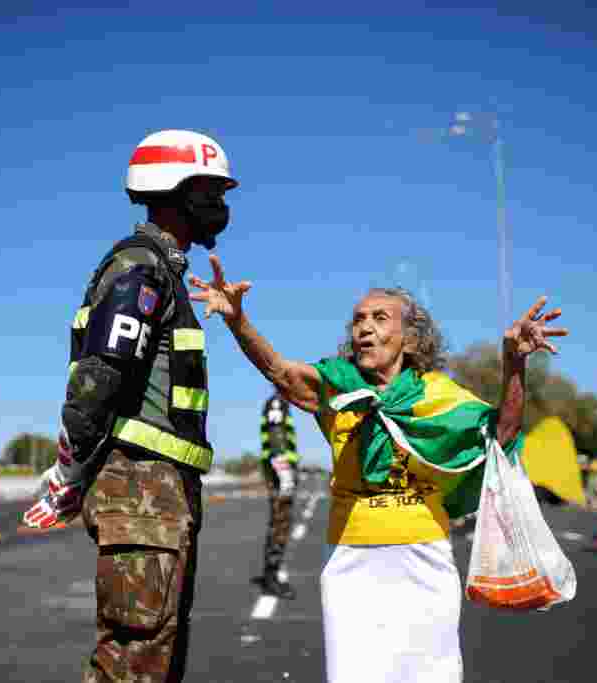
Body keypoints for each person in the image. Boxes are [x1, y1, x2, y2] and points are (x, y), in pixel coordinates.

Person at [188, 255, 567, 683]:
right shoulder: (337, 388)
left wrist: (514, 362)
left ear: (409, 339)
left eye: (380, 318)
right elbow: (280, 371)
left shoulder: (439, 395)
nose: (364, 326)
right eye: (358, 319)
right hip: (352, 566)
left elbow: (501, 435)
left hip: (425, 563)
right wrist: (237, 319)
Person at [22, 129, 238, 682]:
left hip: (161, 488)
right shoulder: (140, 268)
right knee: (133, 656)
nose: (220, 207)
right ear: (174, 192)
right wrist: (69, 471)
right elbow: (99, 376)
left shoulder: (164, 270)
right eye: (210, 193)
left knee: (158, 652)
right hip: (139, 486)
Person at [255, 387, 301, 598]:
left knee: (280, 521)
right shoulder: (277, 403)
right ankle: (271, 576)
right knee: (280, 522)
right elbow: (276, 437)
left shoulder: (279, 403)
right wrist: (284, 472)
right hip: (279, 470)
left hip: (277, 469)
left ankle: (271, 573)